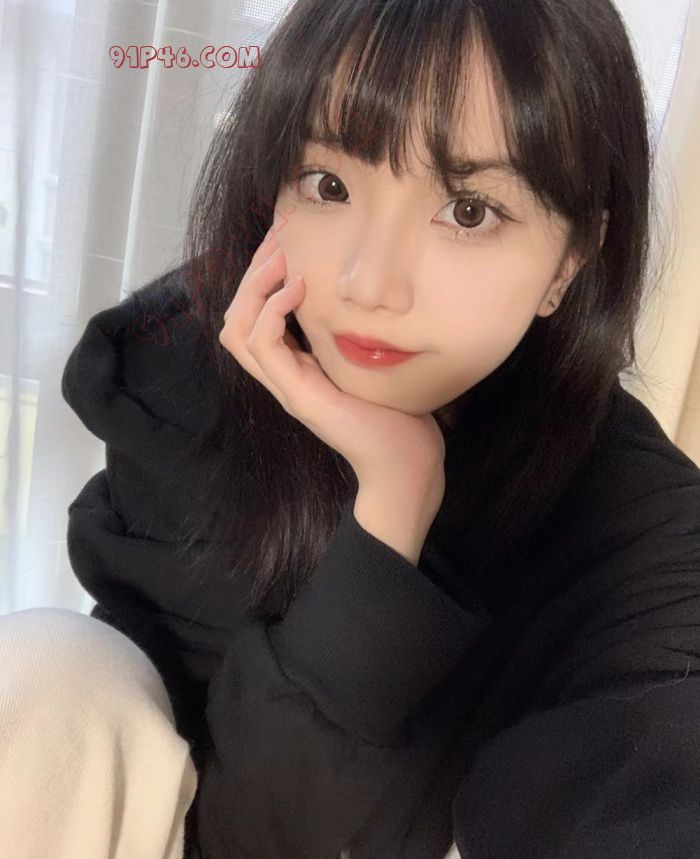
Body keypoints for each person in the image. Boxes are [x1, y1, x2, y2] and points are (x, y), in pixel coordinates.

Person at [3, 0, 699, 856]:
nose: (370, 284)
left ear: (570, 260)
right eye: (328, 185)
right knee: (46, 669)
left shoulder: (639, 528)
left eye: (470, 210)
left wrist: (397, 499)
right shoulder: (184, 391)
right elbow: (243, 834)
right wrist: (391, 509)